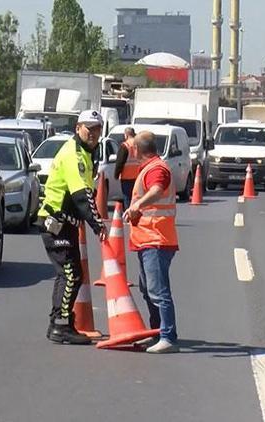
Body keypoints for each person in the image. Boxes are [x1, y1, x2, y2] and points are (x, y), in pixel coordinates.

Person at [38, 110, 108, 345]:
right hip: (55, 222)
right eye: (89, 129)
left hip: (66, 223)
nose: (94, 134)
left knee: (70, 274)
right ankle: (61, 326)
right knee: (70, 274)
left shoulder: (87, 153)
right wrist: (98, 224)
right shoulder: (74, 154)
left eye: (98, 129)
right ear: (78, 128)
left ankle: (58, 324)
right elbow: (82, 196)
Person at [123, 131, 180, 354]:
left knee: (158, 291)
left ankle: (167, 336)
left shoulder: (156, 168)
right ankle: (157, 332)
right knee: (148, 290)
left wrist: (137, 206)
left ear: (137, 150)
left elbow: (156, 191)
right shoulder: (151, 167)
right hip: (148, 239)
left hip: (156, 238)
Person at [113, 127, 140, 209]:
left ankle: (129, 216)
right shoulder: (139, 145)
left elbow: (120, 162)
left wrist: (116, 174)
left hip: (127, 176)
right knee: (136, 197)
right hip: (138, 176)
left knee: (127, 197)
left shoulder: (125, 146)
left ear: (127, 135)